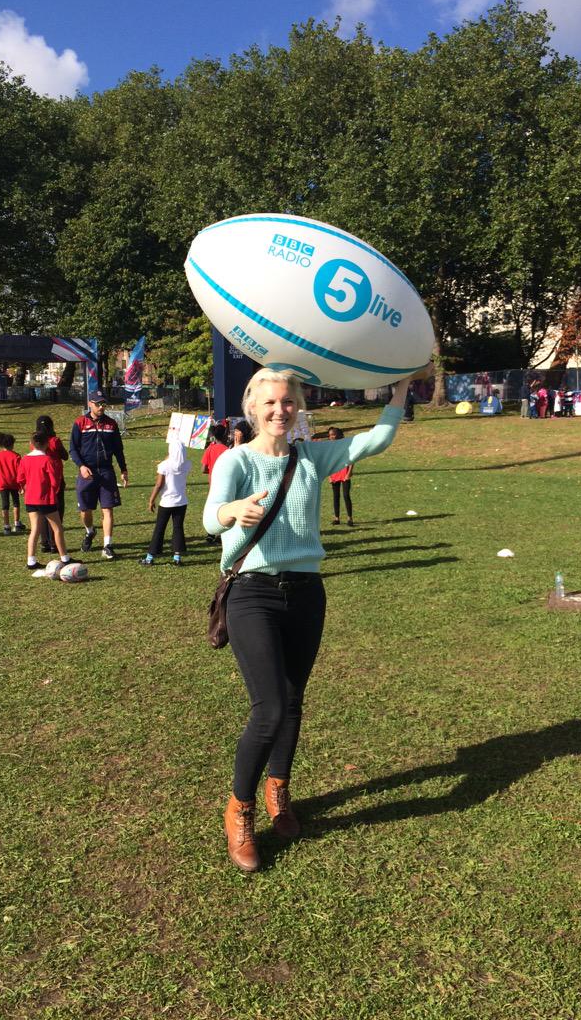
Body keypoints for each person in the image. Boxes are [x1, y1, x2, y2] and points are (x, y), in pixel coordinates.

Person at [203, 367, 409, 872]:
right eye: (269, 403)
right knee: (269, 707)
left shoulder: (312, 455)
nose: (279, 411)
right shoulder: (235, 460)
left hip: (306, 592)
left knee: (293, 701)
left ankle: (279, 792)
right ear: (253, 409)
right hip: (252, 592)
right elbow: (209, 519)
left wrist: (401, 385)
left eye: (288, 403)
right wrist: (233, 510)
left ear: (299, 407)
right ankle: (240, 810)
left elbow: (378, 438)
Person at [69, 391, 128, 560]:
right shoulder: (80, 423)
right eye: (98, 404)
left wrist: (124, 470)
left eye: (103, 404)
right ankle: (90, 531)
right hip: (87, 472)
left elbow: (118, 450)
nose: (101, 407)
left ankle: (107, 545)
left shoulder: (111, 424)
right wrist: (81, 466)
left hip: (106, 472)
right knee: (85, 510)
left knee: (107, 509)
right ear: (90, 404)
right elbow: (73, 449)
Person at [17, 431, 75, 570]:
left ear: (31, 444)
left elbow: (20, 478)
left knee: (35, 529)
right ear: (47, 444)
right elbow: (55, 481)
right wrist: (54, 492)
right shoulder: (47, 460)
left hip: (30, 499)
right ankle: (65, 558)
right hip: (46, 499)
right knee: (57, 528)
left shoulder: (24, 459)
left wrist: (25, 488)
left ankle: (31, 561)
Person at [140, 438, 192, 566]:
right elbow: (177, 461)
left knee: (159, 528)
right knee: (178, 528)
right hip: (181, 502)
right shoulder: (187, 464)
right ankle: (177, 557)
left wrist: (151, 499)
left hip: (167, 502)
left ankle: (150, 557)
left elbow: (159, 484)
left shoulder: (164, 465)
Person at [35, 414, 69, 553]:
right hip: (55, 478)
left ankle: (44, 543)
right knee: (57, 510)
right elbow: (65, 456)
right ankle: (55, 542)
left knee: (42, 511)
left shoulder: (34, 441)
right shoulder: (54, 441)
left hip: (40, 479)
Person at [0, 432, 25, 535]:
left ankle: (6, 526)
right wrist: (21, 485)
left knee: (5, 504)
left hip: (3, 483)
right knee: (16, 503)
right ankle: (17, 524)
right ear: (12, 444)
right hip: (14, 483)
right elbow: (20, 471)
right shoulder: (16, 456)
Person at [327, 426, 353, 526]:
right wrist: (329, 475)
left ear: (338, 435)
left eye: (333, 435)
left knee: (346, 495)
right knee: (336, 496)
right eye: (330, 435)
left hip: (345, 473)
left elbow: (352, 459)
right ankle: (336, 518)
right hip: (334, 473)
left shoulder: (346, 445)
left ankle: (350, 518)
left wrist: (349, 472)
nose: (331, 437)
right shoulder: (330, 447)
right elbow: (328, 462)